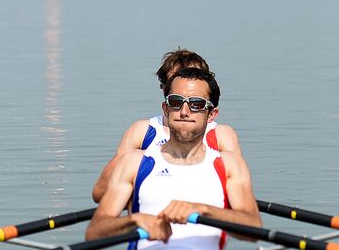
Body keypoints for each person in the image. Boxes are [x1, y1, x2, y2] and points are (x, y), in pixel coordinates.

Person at [86, 65, 262, 250]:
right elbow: (95, 231)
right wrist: (136, 222)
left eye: (196, 105)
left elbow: (253, 229)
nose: (185, 111)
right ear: (165, 108)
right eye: (176, 102)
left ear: (211, 114)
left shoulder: (228, 165)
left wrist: (201, 210)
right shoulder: (134, 162)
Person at [90, 48, 242, 204]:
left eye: (193, 79)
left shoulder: (222, 135)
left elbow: (237, 195)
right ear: (164, 88)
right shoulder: (142, 131)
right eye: (175, 84)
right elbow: (101, 193)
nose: (185, 89)